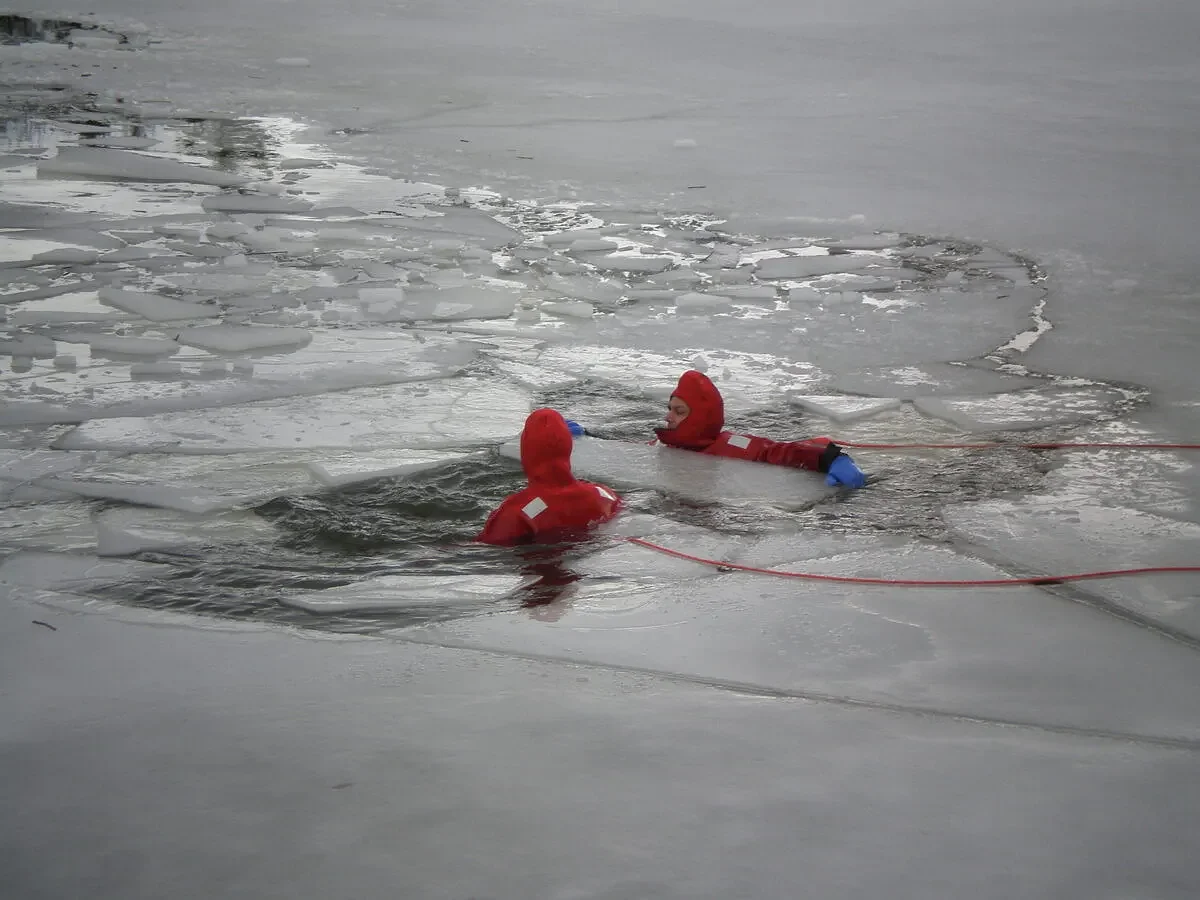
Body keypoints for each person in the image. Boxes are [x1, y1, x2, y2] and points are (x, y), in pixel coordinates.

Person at [652, 369, 868, 488]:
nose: (667, 417)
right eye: (670, 409)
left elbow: (775, 450)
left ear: (700, 416)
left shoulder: (732, 445)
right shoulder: (661, 444)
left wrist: (829, 458)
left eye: (679, 411)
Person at [476, 408, 623, 545]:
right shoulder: (604, 495)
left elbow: (487, 548)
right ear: (567, 447)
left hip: (535, 570)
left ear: (527, 450)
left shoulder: (517, 512)